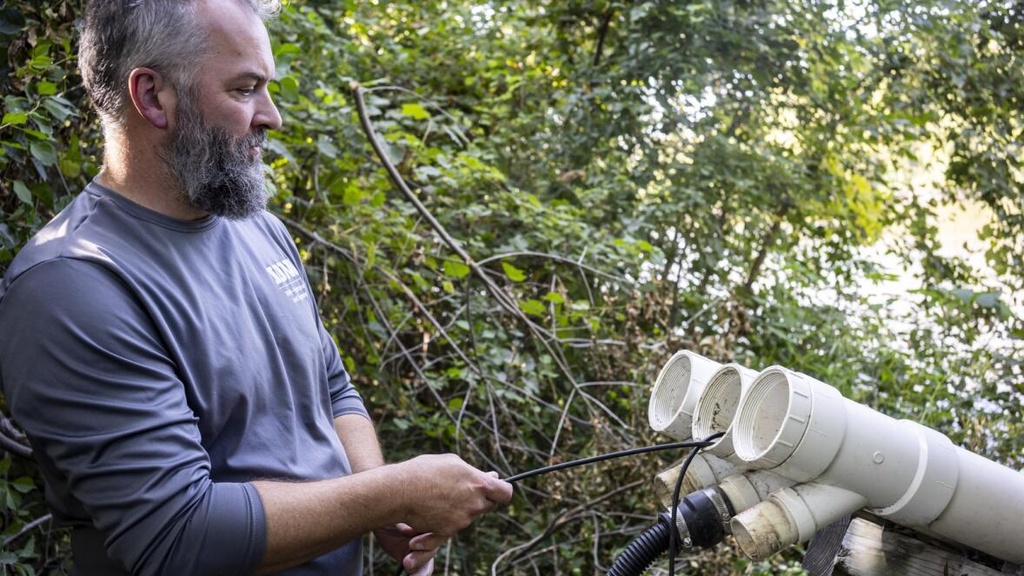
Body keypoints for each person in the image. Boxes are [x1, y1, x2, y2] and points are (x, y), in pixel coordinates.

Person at [0, 0, 513, 575]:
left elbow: (331, 386)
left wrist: (377, 499)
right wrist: (392, 493)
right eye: (245, 90)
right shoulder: (72, 284)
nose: (272, 117)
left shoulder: (257, 228)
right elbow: (177, 537)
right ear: (150, 97)